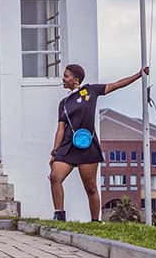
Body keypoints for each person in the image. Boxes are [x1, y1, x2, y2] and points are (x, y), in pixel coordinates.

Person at [48, 63, 149, 221]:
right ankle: (59, 215)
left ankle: (95, 220)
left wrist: (138, 75)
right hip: (67, 145)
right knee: (55, 177)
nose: (63, 79)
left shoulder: (91, 91)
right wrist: (55, 152)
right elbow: (60, 129)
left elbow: (116, 85)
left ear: (76, 80)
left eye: (66, 76)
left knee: (91, 187)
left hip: (87, 145)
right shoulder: (64, 103)